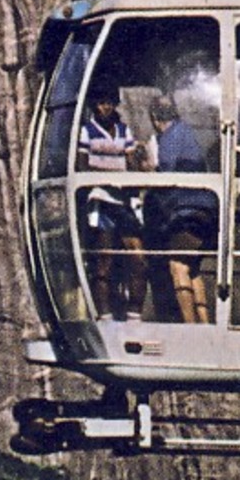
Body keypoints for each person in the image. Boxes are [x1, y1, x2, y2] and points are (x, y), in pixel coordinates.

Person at [144, 96, 217, 324]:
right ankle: (204, 324)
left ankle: (191, 326)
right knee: (191, 267)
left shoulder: (168, 138)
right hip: (206, 210)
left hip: (187, 211)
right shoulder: (186, 132)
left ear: (156, 120)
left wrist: (147, 168)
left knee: (177, 265)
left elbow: (166, 173)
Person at [78, 87, 147, 322]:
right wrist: (111, 172)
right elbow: (82, 165)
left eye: (110, 103)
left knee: (138, 259)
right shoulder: (86, 131)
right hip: (101, 200)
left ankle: (134, 315)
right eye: (101, 103)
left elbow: (131, 163)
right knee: (103, 262)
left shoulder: (123, 130)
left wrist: (136, 159)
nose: (105, 108)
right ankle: (105, 316)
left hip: (124, 201)